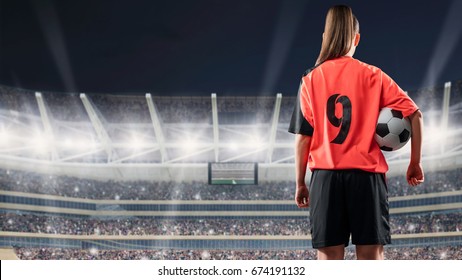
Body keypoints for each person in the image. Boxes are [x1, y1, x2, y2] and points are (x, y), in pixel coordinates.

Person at [288, 5, 424, 260]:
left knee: (329, 259)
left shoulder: (310, 79)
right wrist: (414, 163)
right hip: (366, 178)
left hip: (325, 178)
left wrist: (300, 183)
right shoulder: (374, 75)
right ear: (357, 39)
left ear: (325, 38)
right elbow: (416, 115)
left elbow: (303, 138)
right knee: (371, 258)